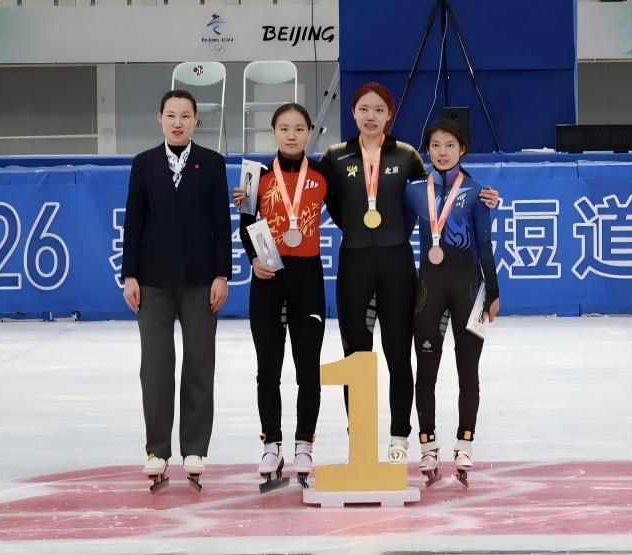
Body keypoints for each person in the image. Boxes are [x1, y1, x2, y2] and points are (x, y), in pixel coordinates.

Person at [320, 82, 498, 462]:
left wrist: (485, 196)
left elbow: (434, 191)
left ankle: (399, 436)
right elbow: (327, 198)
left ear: (390, 114)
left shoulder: (407, 155)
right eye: (364, 109)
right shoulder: (334, 156)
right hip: (354, 264)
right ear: (353, 113)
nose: (371, 116)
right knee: (355, 354)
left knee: (399, 353)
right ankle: (359, 437)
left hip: (396, 265)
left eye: (379, 110)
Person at [122, 89, 232, 491]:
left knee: (199, 363)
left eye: (186, 115)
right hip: (152, 282)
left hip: (201, 282)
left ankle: (195, 448)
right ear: (160, 118)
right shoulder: (144, 163)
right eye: (171, 115)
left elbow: (221, 223)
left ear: (196, 120)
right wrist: (129, 276)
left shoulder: (212, 164)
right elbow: (133, 221)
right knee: (155, 366)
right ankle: (157, 450)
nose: (178, 122)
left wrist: (222, 275)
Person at [233, 103, 339, 490]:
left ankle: (304, 445)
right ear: (273, 132)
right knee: (268, 369)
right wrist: (253, 259)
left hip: (307, 277)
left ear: (309, 132)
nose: (291, 135)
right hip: (268, 277)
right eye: (284, 128)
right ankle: (271, 445)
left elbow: (350, 213)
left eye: (298, 128)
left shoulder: (324, 174)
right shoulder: (255, 176)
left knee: (308, 368)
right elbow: (245, 225)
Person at [405, 119, 500, 486]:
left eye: (449, 145)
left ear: (462, 150)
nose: (442, 152)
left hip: (469, 289)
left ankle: (465, 443)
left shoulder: (477, 192)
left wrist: (493, 291)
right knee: (426, 371)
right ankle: (428, 446)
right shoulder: (414, 190)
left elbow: (485, 244)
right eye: (435, 145)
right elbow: (395, 231)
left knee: (467, 371)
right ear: (427, 149)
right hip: (428, 289)